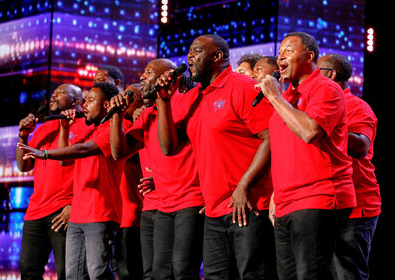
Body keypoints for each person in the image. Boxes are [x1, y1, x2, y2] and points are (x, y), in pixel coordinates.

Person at [155, 35, 276, 279]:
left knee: (253, 274)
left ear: (217, 57)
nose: (189, 57)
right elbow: (169, 147)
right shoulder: (193, 98)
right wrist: (164, 102)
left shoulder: (241, 87)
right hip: (212, 209)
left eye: (197, 51)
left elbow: (270, 139)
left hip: (249, 204)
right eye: (188, 52)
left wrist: (243, 186)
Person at [258, 32, 356, 280]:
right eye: (280, 51)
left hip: (317, 197)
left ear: (309, 56)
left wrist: (274, 97)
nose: (281, 55)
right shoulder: (288, 95)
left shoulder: (326, 89)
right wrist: (275, 195)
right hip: (285, 203)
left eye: (289, 50)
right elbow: (286, 149)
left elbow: (310, 131)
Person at [110, 58, 205, 280]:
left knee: (182, 270)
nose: (142, 77)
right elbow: (119, 153)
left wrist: (164, 101)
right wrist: (116, 116)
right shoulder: (147, 114)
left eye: (149, 72)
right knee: (158, 273)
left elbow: (168, 147)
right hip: (162, 203)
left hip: (190, 199)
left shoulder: (186, 102)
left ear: (171, 77)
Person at [18, 82, 124, 280]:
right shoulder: (53, 128)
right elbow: (62, 161)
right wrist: (28, 135)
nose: (53, 96)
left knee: (94, 272)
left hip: (84, 211)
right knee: (66, 274)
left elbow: (81, 150)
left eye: (90, 100)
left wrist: (45, 154)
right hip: (60, 213)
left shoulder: (100, 127)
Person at [318, 53, 381, 280]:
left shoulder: (356, 106)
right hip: (326, 204)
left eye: (317, 70)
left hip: (356, 205)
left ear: (331, 74)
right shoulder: (313, 105)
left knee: (347, 274)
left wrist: (322, 125)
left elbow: (361, 146)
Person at [16, 83, 82, 280]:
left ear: (76, 100)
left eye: (60, 93)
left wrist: (75, 205)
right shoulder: (44, 127)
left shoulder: (85, 125)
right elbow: (24, 166)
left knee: (67, 273)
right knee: (28, 269)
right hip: (36, 210)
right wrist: (23, 135)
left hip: (64, 210)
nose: (53, 96)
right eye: (53, 93)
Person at [113, 84, 145, 280]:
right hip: (116, 215)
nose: (125, 99)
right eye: (125, 95)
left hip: (134, 216)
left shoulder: (140, 126)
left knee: (131, 272)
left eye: (131, 97)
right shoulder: (117, 123)